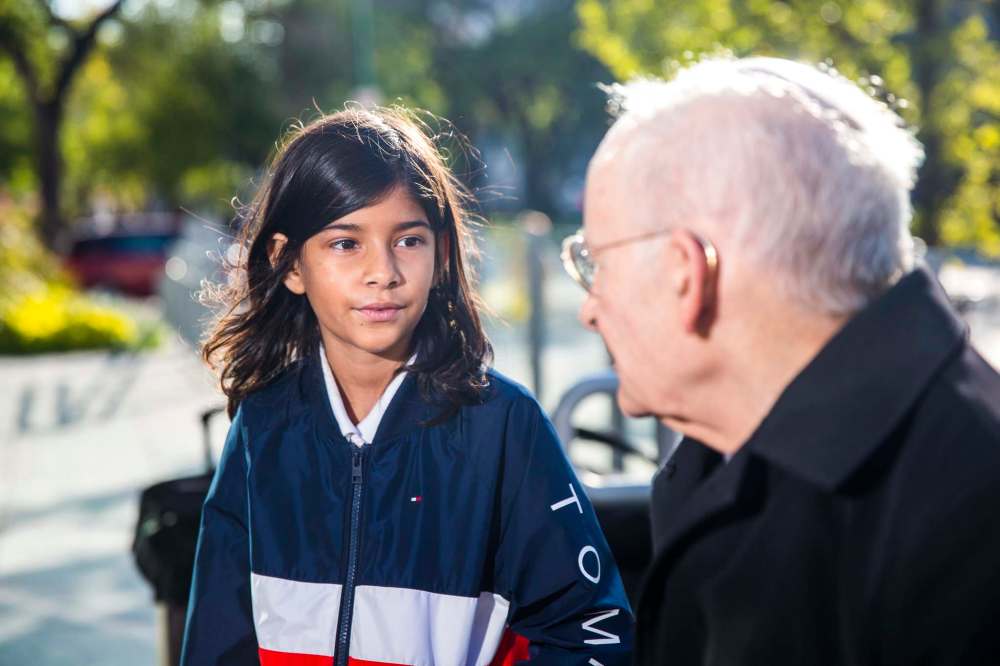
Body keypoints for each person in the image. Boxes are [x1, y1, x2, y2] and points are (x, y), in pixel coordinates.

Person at [562, 56, 1000, 664]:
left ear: (687, 274)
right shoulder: (752, 453)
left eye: (594, 263)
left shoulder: (962, 527)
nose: (589, 307)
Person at [181, 107, 633, 665]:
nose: (383, 272)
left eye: (408, 240)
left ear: (441, 254)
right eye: (346, 244)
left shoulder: (502, 426)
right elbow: (217, 642)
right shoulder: (263, 426)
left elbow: (590, 630)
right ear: (289, 262)